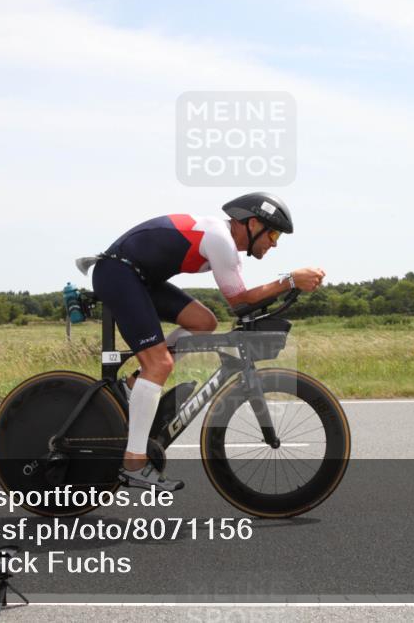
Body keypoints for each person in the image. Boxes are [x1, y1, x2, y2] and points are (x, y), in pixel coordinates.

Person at [90, 193, 325, 491]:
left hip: (138, 277)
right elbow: (239, 302)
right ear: (253, 224)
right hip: (119, 273)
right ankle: (133, 463)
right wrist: (290, 280)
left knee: (204, 323)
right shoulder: (220, 240)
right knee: (159, 363)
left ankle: (135, 385)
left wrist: (287, 286)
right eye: (274, 233)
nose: (275, 243)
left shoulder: (223, 243)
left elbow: (242, 303)